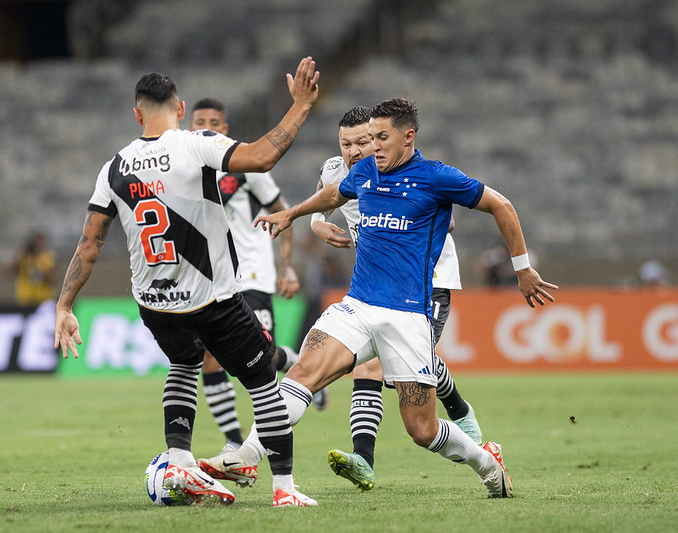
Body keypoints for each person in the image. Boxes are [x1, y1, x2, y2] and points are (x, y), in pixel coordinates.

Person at [200, 98, 558, 499]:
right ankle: (248, 453)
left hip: (407, 316)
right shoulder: (367, 171)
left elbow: (501, 205)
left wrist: (523, 268)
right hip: (357, 305)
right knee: (303, 374)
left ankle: (487, 464)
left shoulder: (437, 177)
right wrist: (296, 215)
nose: (373, 147)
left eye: (381, 138)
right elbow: (334, 194)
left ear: (408, 136)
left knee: (422, 430)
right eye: (371, 138)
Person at [53, 57, 321, 508]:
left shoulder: (113, 168)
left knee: (184, 363)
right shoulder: (198, 144)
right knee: (261, 383)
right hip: (212, 297)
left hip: (155, 304)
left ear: (136, 115)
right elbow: (262, 156)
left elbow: (88, 245)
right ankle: (285, 491)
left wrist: (64, 306)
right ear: (179, 108)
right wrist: (301, 106)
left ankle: (179, 462)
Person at [307, 105, 482, 492]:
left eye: (362, 142)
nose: (353, 151)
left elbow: (445, 217)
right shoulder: (336, 171)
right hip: (377, 285)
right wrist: (319, 226)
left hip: (426, 278)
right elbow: (319, 206)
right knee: (369, 366)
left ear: (379, 138)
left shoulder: (410, 173)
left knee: (397, 368)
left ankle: (458, 411)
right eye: (346, 144)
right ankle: (364, 461)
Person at [187, 98, 319, 452]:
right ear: (189, 127)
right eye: (200, 121)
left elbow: (284, 215)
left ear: (225, 129)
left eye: (215, 121)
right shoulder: (184, 172)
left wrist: (286, 265)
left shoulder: (245, 168)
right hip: (215, 281)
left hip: (252, 276)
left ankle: (297, 367)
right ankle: (233, 442)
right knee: (212, 360)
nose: (207, 127)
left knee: (259, 358)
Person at [11, 231, 55, 305]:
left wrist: (39, 273)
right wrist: (21, 253)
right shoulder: (24, 256)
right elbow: (12, 269)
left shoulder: (47, 257)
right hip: (25, 298)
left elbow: (51, 278)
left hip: (43, 298)